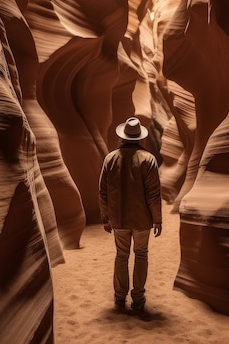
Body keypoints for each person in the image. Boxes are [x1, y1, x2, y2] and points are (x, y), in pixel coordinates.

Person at [99, 116, 162, 315]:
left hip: (118, 219)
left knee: (121, 256)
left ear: (122, 137)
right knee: (141, 255)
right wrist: (157, 219)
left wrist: (105, 217)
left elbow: (103, 191)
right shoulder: (148, 160)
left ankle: (119, 298)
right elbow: (153, 194)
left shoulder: (110, 158)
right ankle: (138, 299)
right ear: (140, 138)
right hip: (142, 220)